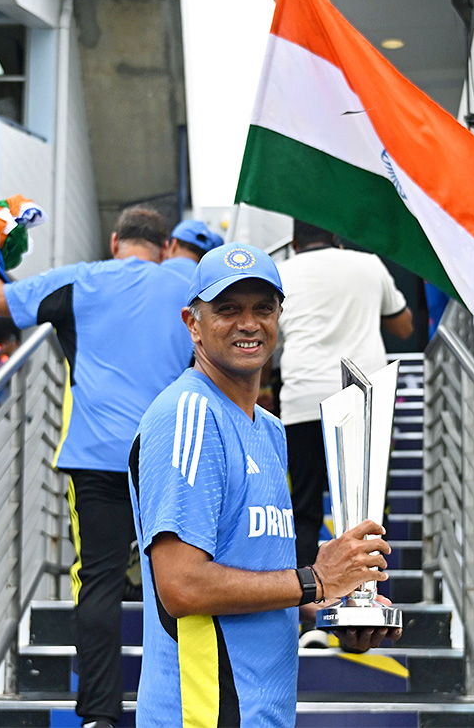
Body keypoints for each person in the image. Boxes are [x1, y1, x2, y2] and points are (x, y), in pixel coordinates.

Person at [129, 243, 400, 727]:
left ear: (280, 317)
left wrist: (332, 609)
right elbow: (182, 585)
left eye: (263, 308)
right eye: (227, 310)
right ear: (193, 323)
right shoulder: (187, 414)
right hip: (203, 713)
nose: (248, 323)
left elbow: (257, 576)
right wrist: (314, 580)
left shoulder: (270, 430)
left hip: (262, 709)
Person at [0, 204, 193, 728]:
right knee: (182, 581)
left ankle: (99, 715)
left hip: (97, 456)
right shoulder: (188, 286)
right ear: (165, 249)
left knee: (97, 581)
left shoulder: (83, 280)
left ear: (115, 241)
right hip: (170, 452)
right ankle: (178, 707)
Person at [273, 221, 413, 577]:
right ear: (336, 236)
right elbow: (404, 327)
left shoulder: (279, 275)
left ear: (293, 242)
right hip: (362, 403)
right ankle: (366, 600)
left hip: (302, 401)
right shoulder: (368, 264)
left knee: (304, 511)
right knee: (367, 511)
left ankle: (305, 602)